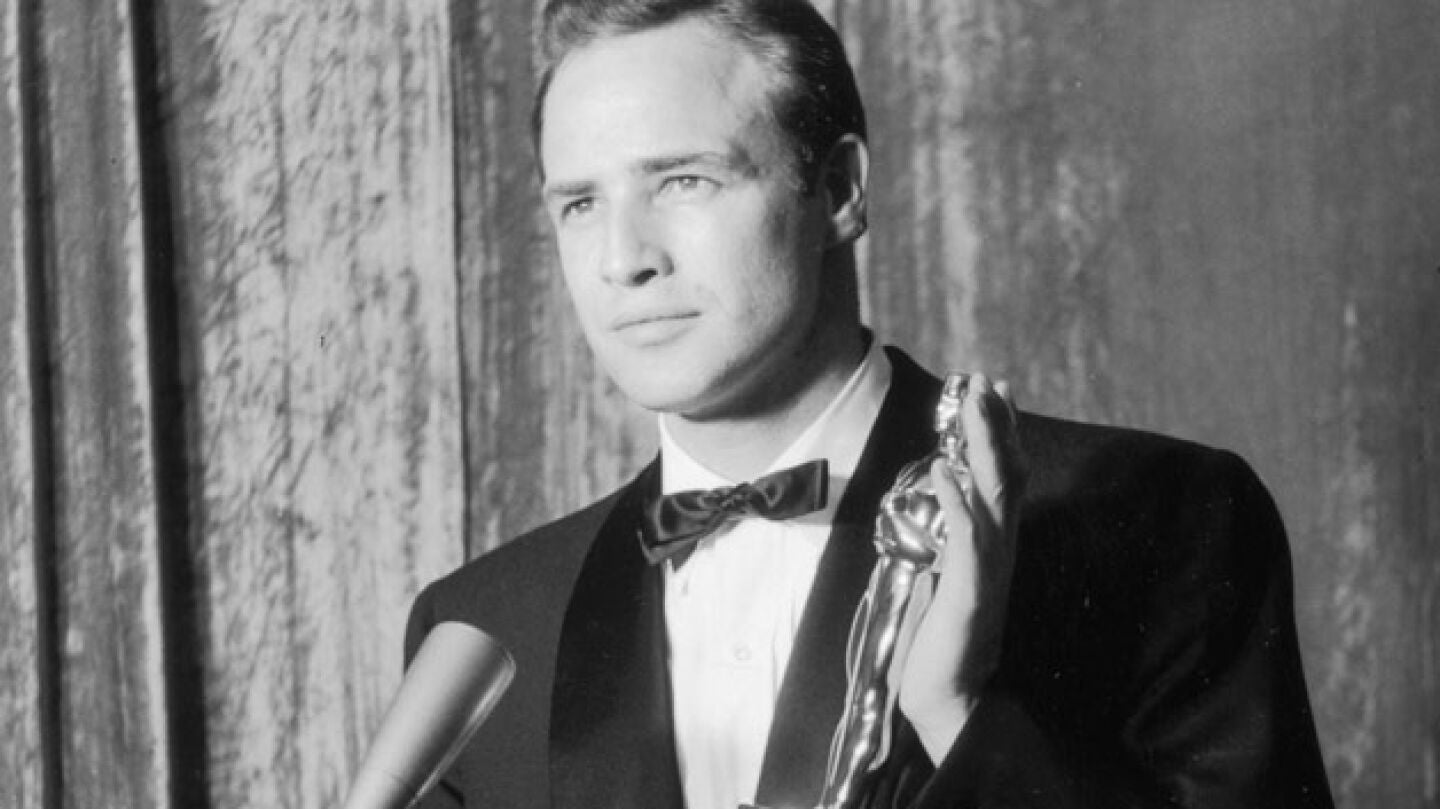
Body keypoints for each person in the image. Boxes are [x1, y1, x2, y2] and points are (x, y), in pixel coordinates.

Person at [403, 1, 1334, 807]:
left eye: (683, 180)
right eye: (579, 204)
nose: (623, 260)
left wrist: (958, 713)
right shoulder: (483, 624)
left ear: (842, 189)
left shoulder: (1164, 521)